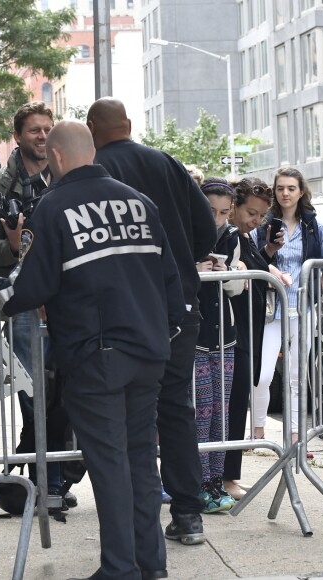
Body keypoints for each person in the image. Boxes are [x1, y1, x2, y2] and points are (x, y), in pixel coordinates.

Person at [0, 120, 185, 580]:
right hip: (148, 351)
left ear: (59, 157)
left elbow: (32, 286)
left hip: (97, 354)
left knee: (109, 465)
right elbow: (170, 279)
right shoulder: (140, 203)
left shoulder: (52, 208)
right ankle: (151, 565)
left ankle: (119, 570)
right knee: (141, 465)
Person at [87, 97, 216, 545]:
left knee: (121, 417)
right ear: (128, 124)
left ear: (92, 129)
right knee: (175, 408)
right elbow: (206, 229)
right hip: (177, 303)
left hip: (117, 315)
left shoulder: (94, 173)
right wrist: (184, 258)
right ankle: (188, 513)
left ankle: (128, 525)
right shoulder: (167, 164)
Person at [0, 101, 71, 502]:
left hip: (65, 302)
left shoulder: (66, 176)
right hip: (25, 304)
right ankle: (47, 482)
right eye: (35, 130)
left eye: (48, 129)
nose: (43, 136)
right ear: (18, 136)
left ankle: (56, 477)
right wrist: (18, 248)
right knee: (34, 395)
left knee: (66, 392)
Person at [251, 167, 323, 446]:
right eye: (280, 188)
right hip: (270, 310)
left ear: (301, 192)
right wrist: (272, 270)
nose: (285, 193)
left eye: (290, 188)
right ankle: (258, 432)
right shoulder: (264, 226)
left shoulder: (316, 228)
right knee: (262, 375)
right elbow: (252, 261)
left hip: (303, 309)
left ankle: (296, 436)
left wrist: (319, 289)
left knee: (297, 376)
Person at [194, 178, 245, 513]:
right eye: (210, 210)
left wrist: (227, 271)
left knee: (221, 416)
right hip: (194, 336)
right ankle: (196, 484)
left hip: (224, 336)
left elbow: (238, 288)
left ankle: (215, 481)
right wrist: (196, 270)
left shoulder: (234, 237)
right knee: (201, 410)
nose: (217, 218)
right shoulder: (186, 232)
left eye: (224, 212)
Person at [222, 178, 273, 501]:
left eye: (262, 216)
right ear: (235, 208)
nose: (256, 221)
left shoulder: (246, 238)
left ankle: (229, 476)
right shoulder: (230, 238)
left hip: (248, 329)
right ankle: (227, 478)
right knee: (233, 405)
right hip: (234, 332)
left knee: (238, 403)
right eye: (251, 213)